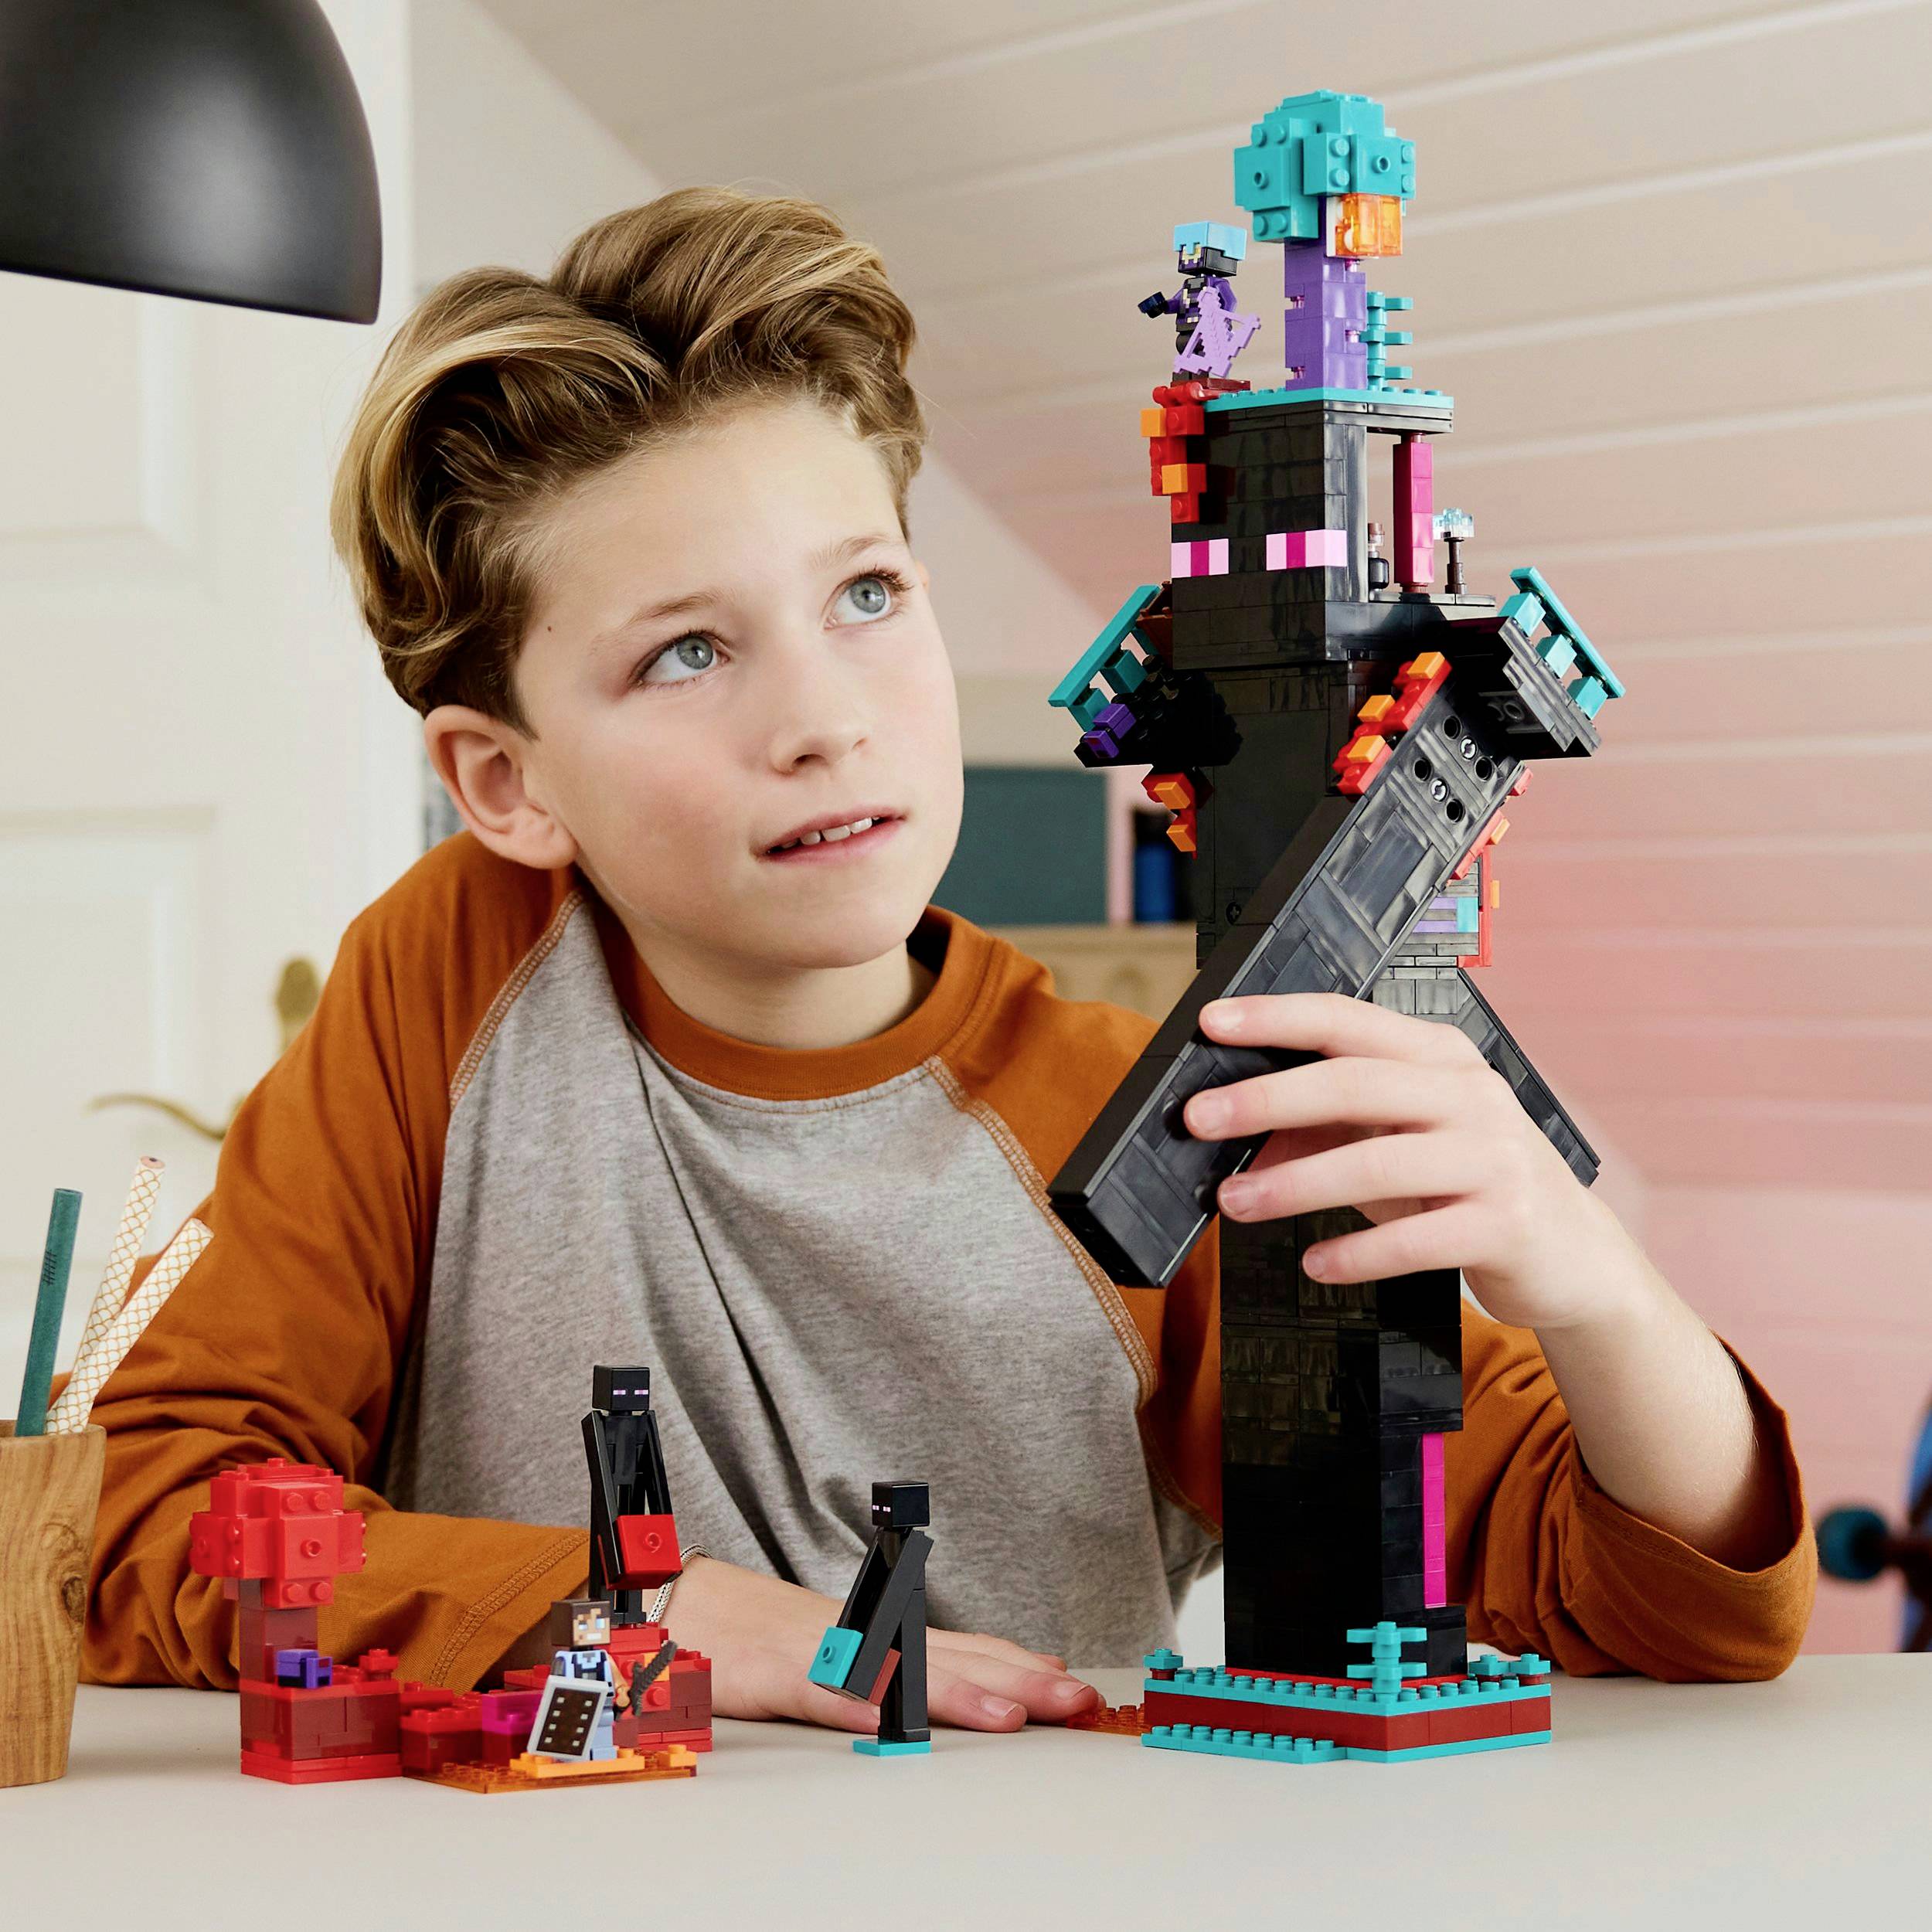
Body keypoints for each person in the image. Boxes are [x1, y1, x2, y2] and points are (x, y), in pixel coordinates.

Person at [81, 189, 1814, 1738]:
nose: (823, 722)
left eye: (863, 596)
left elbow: (1682, 1604)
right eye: (687, 650)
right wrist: (644, 1611)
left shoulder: (1162, 1118)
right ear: (506, 784)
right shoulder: (449, 973)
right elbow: (140, 1512)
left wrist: (1586, 1277)